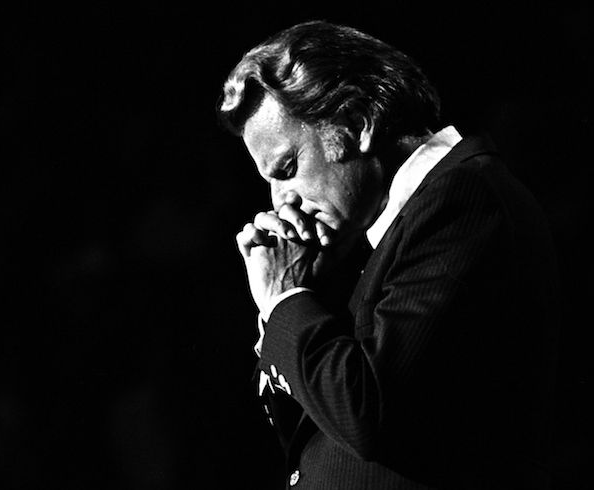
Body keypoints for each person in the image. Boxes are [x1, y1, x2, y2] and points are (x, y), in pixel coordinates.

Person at [221, 21, 558, 489]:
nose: (281, 202)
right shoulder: (368, 236)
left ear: (357, 123)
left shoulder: (464, 198)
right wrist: (299, 300)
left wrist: (285, 298)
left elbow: (368, 411)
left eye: (288, 168)